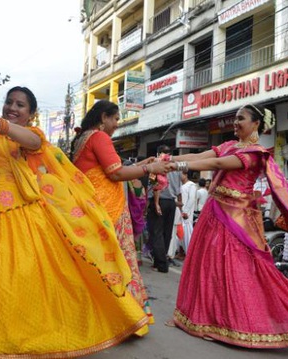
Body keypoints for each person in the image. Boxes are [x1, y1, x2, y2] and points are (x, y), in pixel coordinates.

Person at [0, 88, 166, 358]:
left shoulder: (28, 136)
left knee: (10, 276)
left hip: (15, 212)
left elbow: (32, 144)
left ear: (31, 114)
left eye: (20, 105)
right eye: (9, 102)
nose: (13, 107)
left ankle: (4, 335)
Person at [165, 104, 288, 347]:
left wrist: (175, 166)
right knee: (208, 266)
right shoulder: (229, 145)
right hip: (214, 213)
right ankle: (204, 318)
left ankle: (258, 319)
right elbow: (201, 157)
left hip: (237, 220)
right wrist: (169, 159)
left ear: (256, 124)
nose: (236, 123)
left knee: (237, 270)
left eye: (241, 119)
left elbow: (215, 166)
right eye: (235, 118)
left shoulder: (256, 153)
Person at [70, 100, 163, 323]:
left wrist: (143, 163)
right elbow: (116, 174)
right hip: (106, 210)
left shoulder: (84, 138)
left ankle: (98, 314)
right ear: (104, 117)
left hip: (90, 208)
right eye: (115, 119)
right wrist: (150, 168)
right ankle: (122, 316)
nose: (116, 125)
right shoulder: (99, 137)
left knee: (96, 264)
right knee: (115, 263)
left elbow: (109, 169)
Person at [146, 144, 182, 273]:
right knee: (167, 233)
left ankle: (161, 264)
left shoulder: (158, 164)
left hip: (159, 199)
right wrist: (179, 202)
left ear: (158, 153)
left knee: (156, 232)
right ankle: (159, 261)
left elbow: (156, 185)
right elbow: (178, 188)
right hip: (171, 202)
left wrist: (155, 203)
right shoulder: (176, 167)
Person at [179, 172, 197, 255]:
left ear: (186, 175)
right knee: (180, 233)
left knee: (187, 234)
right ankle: (181, 252)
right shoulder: (180, 185)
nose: (179, 176)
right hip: (180, 212)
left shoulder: (191, 185)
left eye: (181, 174)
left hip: (186, 214)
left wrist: (185, 211)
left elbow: (191, 199)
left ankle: (190, 253)